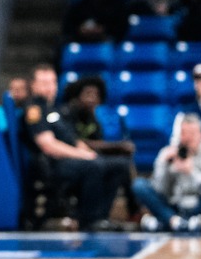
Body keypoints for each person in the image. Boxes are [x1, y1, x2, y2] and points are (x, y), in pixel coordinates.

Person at [23, 65, 131, 231]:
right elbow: (48, 145)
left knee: (119, 165)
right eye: (44, 82)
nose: (49, 87)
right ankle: (89, 221)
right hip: (51, 165)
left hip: (69, 160)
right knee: (94, 166)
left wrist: (88, 151)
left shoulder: (54, 109)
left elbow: (72, 139)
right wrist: (82, 155)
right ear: (33, 85)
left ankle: (101, 217)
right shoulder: (35, 109)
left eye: (52, 82)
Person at [137, 115, 201, 233]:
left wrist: (192, 173)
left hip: (199, 209)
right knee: (139, 185)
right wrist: (164, 165)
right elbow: (160, 190)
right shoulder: (169, 154)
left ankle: (169, 224)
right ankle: (175, 222)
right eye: (183, 133)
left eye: (192, 134)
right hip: (174, 206)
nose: (187, 138)